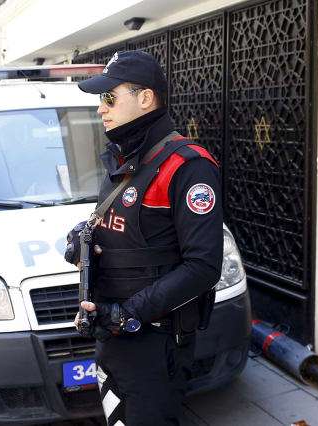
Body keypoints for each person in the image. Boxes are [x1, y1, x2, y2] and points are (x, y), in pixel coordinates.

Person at [64, 50, 223, 425]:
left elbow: (203, 267)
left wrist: (128, 314)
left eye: (109, 97)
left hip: (154, 343)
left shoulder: (187, 166)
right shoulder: (121, 161)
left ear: (145, 97)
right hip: (112, 338)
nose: (100, 108)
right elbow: (114, 225)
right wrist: (79, 240)